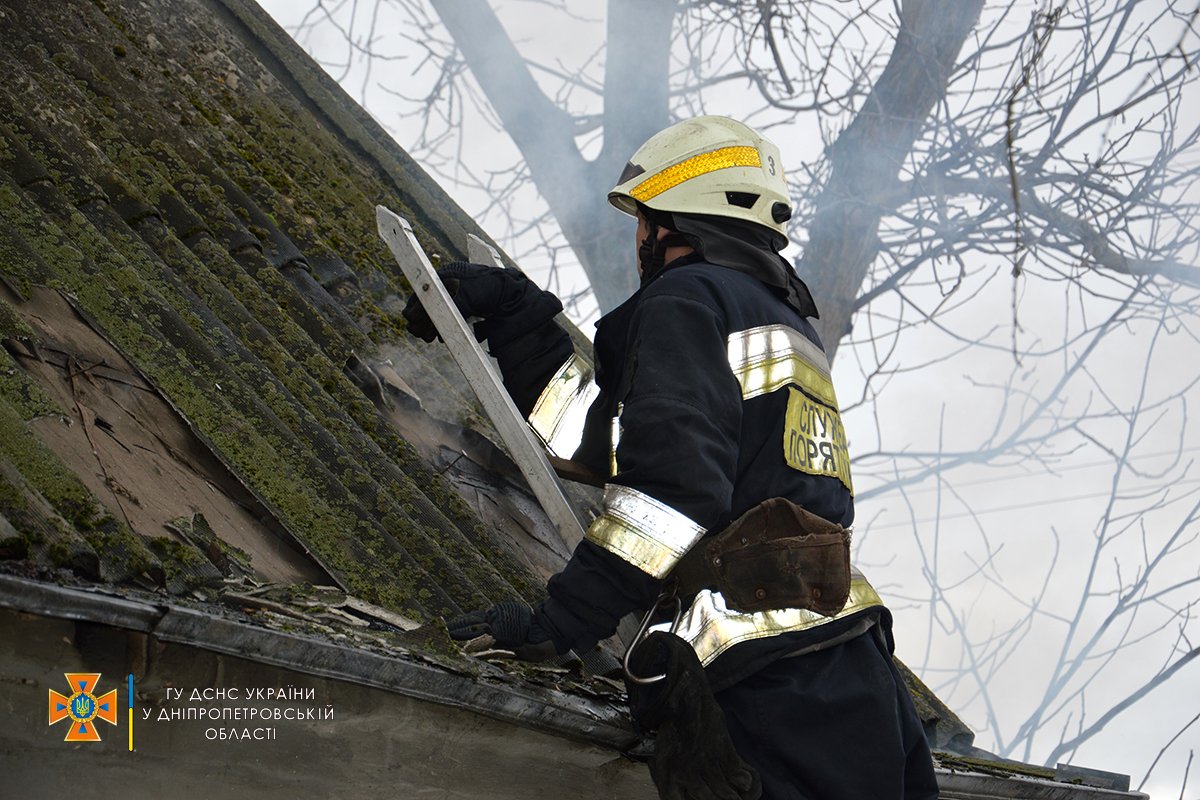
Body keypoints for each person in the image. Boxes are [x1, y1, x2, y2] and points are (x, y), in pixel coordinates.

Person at [404, 116, 938, 800]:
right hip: (854, 680)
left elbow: (671, 494)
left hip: (772, 692)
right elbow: (618, 449)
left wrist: (561, 621)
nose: (638, 243)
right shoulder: (783, 324)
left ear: (673, 224)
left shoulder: (686, 300)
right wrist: (516, 319)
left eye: (643, 222)